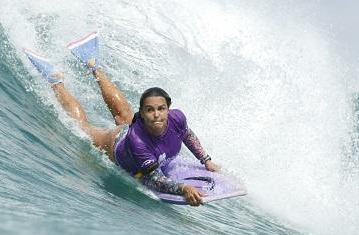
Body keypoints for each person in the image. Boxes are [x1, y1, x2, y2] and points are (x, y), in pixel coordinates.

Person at [24, 33, 218, 206]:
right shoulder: (138, 142)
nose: (157, 114)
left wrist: (205, 160)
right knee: (82, 127)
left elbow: (187, 134)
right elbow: (155, 180)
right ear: (142, 113)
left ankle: (93, 65)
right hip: (116, 144)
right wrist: (183, 188)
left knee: (124, 115)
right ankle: (55, 80)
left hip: (135, 130)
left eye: (161, 109)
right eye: (150, 110)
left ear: (168, 109)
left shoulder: (177, 118)